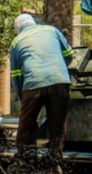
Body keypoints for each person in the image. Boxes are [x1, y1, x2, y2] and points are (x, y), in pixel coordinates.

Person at [9, 13, 74, 164]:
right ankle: (54, 163)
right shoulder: (52, 30)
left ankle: (24, 163)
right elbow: (69, 55)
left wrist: (22, 98)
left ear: (18, 29)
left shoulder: (16, 41)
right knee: (56, 126)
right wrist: (57, 67)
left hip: (33, 85)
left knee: (26, 125)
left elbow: (16, 75)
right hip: (60, 82)